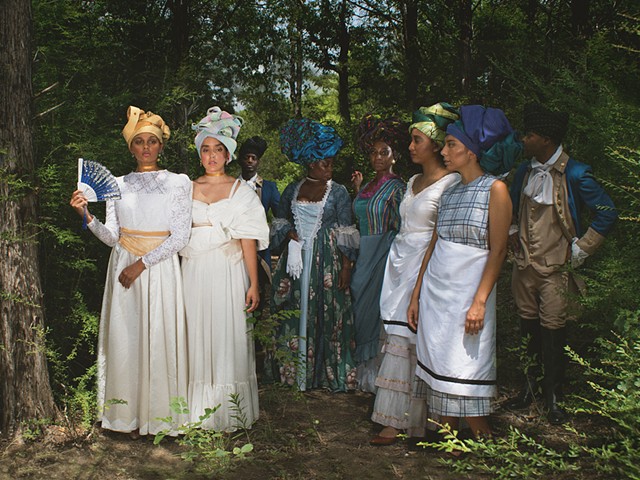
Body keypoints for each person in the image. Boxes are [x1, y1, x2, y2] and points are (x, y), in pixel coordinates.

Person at [69, 106, 191, 438]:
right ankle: (125, 418)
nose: (146, 147)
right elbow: (112, 236)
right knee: (127, 340)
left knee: (158, 338)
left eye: (152, 141)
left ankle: (158, 419)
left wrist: (143, 264)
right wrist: (87, 216)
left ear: (161, 146)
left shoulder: (178, 183)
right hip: (122, 266)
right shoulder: (116, 185)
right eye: (140, 142)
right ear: (131, 147)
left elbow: (181, 237)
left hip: (158, 268)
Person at [407, 105, 521, 438]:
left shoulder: (495, 190)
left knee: (466, 361)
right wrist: (416, 295)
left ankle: (481, 434)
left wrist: (480, 301)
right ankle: (449, 435)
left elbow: (498, 250)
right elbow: (434, 243)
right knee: (440, 359)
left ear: (472, 152)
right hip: (436, 293)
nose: (443, 150)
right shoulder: (451, 190)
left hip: (469, 293)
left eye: (451, 145)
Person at [507, 103, 617, 424]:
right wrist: (513, 229)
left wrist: (582, 248)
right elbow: (513, 207)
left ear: (546, 139)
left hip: (555, 268)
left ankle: (553, 397)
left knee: (554, 330)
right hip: (524, 266)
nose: (523, 139)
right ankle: (529, 388)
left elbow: (607, 212)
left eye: (529, 134)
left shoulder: (576, 172)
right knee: (527, 327)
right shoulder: (525, 172)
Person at [370, 103, 460, 446]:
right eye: (411, 139)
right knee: (397, 342)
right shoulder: (412, 181)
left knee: (419, 340)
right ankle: (394, 417)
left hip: (426, 264)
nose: (410, 146)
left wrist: (422, 285)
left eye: (417, 140)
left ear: (436, 145)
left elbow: (440, 234)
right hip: (400, 261)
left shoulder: (450, 183)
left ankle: (427, 420)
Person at [179, 107, 269, 432]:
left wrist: (253, 283)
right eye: (206, 149)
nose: (212, 155)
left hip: (228, 272)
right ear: (199, 153)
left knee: (225, 334)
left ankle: (228, 410)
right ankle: (194, 410)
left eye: (218, 149)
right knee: (195, 333)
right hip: (193, 270)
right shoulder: (184, 188)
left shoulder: (241, 192)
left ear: (228, 154)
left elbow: (248, 240)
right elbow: (175, 234)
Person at [269, 118, 359, 392]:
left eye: (331, 162)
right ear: (311, 163)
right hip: (296, 262)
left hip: (326, 260)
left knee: (327, 311)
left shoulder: (339, 192)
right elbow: (280, 220)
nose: (330, 167)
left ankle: (325, 372)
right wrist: (290, 235)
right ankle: (296, 372)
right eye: (325, 163)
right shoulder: (292, 190)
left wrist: (346, 266)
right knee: (294, 308)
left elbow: (346, 229)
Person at [350, 114, 406, 392]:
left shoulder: (398, 187)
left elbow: (402, 226)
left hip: (382, 255)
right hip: (362, 255)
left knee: (377, 311)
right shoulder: (368, 187)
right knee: (359, 308)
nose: (378, 157)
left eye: (384, 152)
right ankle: (361, 372)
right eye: (373, 153)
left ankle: (378, 376)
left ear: (394, 155)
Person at [237, 136, 280, 309]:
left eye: (253, 158)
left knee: (260, 294)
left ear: (258, 162)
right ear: (240, 160)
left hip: (261, 251)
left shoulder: (269, 187)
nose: (249, 161)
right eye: (246, 157)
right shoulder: (231, 185)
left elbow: (280, 216)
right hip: (235, 248)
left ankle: (256, 334)